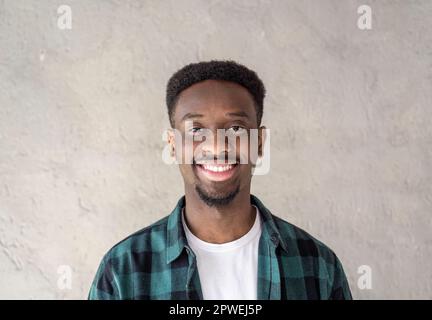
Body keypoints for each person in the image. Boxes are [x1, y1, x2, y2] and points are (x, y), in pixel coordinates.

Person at [88, 60, 352, 300]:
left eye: (236, 128)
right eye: (196, 130)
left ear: (259, 142)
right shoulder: (123, 270)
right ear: (172, 144)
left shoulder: (318, 265)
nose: (216, 146)